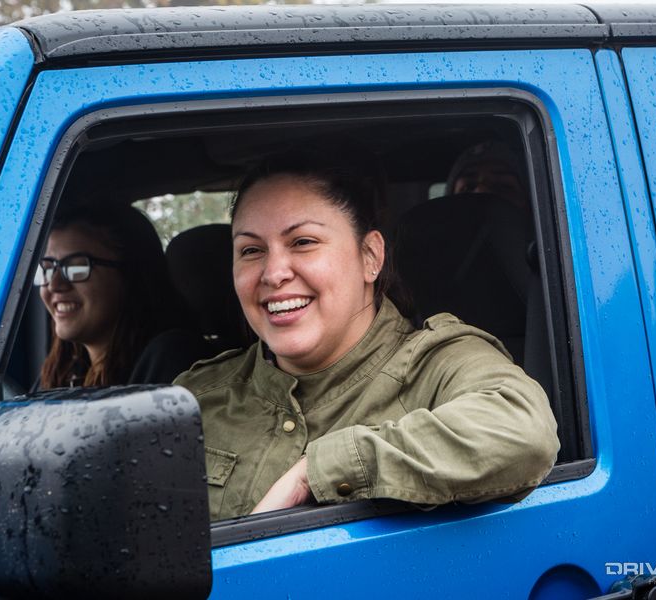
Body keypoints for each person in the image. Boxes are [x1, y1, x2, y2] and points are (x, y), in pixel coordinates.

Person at [173, 152, 560, 521]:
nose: (273, 274)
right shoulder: (197, 397)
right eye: (251, 250)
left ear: (371, 256)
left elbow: (523, 432)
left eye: (303, 242)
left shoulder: (437, 364)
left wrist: (315, 472)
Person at [37, 203, 208, 389]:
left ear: (131, 275)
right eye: (47, 268)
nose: (54, 284)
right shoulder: (69, 371)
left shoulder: (172, 358)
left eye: (77, 267)